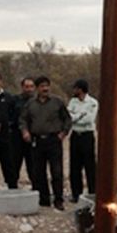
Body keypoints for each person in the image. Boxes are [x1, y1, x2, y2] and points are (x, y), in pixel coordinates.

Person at [20, 76, 72, 209]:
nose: (45, 88)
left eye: (47, 86)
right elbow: (23, 119)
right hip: (37, 141)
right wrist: (25, 131)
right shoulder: (30, 104)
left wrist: (64, 132)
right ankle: (44, 199)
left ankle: (58, 200)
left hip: (54, 140)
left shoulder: (57, 102)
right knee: (39, 172)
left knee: (57, 172)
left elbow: (67, 119)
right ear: (37, 88)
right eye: (42, 86)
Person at [67, 79, 98, 203]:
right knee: (75, 166)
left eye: (75, 88)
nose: (74, 90)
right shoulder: (73, 101)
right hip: (75, 135)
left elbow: (89, 119)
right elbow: (69, 117)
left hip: (87, 136)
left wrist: (76, 116)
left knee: (89, 165)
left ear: (81, 89)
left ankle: (92, 193)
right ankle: (76, 194)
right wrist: (80, 115)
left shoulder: (92, 102)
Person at [16, 77, 38, 188]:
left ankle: (36, 189)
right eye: (26, 86)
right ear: (22, 87)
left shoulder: (39, 101)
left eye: (31, 86)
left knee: (33, 165)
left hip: (34, 138)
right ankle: (12, 189)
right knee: (15, 166)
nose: (29, 89)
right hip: (17, 138)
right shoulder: (15, 100)